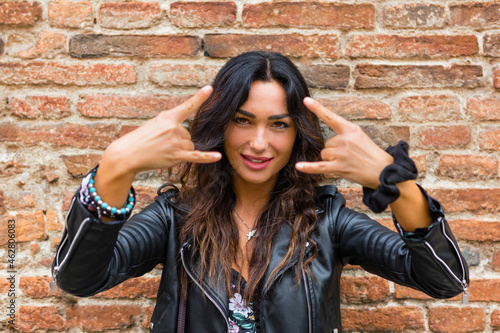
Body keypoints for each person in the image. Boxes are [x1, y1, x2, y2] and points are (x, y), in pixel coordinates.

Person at [52, 51, 469, 333]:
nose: (258, 142)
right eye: (242, 120)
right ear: (220, 125)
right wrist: (115, 165)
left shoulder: (328, 222)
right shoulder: (174, 218)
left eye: (279, 124)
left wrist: (393, 182)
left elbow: (445, 280)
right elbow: (78, 278)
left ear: (297, 135)